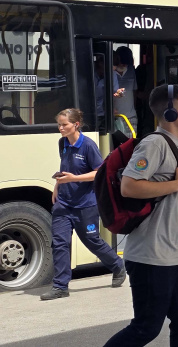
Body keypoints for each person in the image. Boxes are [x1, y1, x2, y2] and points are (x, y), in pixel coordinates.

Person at [104, 84, 178, 347]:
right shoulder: (154, 143)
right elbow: (129, 185)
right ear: (170, 114)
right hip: (151, 255)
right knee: (146, 327)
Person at [40, 108, 126, 301]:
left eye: (64, 125)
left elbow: (99, 173)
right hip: (63, 203)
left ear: (75, 125)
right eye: (59, 125)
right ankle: (60, 286)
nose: (61, 128)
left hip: (86, 204)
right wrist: (57, 185)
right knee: (60, 243)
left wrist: (74, 178)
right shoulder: (62, 143)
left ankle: (117, 265)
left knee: (91, 240)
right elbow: (65, 168)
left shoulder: (88, 145)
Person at [113, 46, 139, 130]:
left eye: (126, 63)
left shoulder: (131, 71)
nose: (123, 65)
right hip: (115, 117)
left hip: (131, 117)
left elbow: (134, 92)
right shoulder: (109, 73)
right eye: (121, 62)